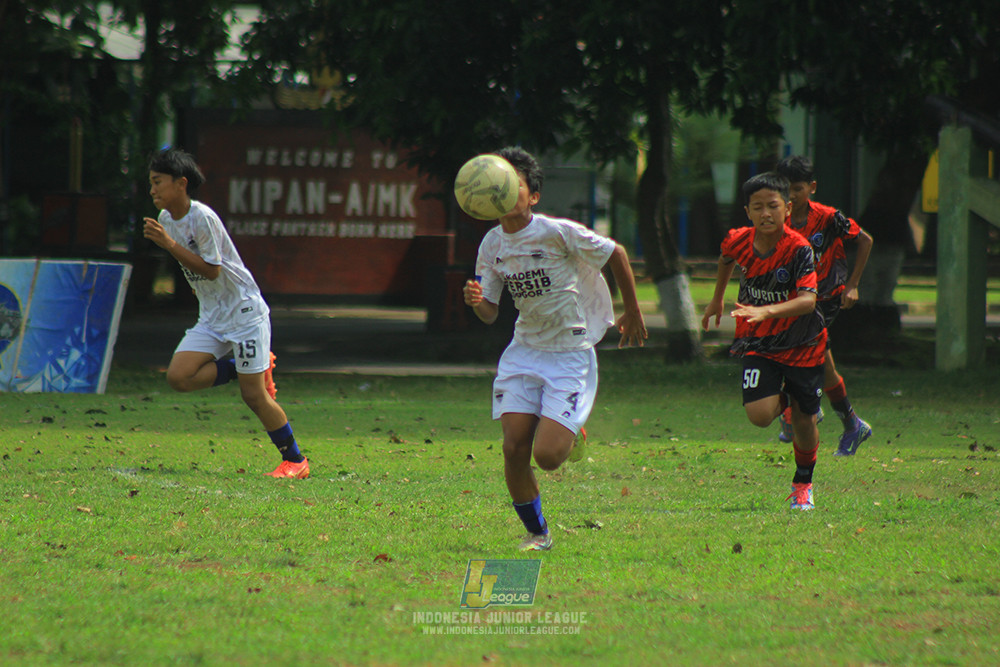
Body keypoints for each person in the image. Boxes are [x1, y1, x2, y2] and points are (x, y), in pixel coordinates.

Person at [462, 146, 647, 551]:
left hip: (569, 353)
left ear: (533, 196)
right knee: (513, 448)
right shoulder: (491, 245)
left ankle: (570, 428)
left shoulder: (556, 232)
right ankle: (538, 533)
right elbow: (491, 314)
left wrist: (631, 311)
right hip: (525, 350)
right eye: (499, 186)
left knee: (547, 457)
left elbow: (615, 252)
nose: (506, 193)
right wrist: (478, 302)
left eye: (515, 186)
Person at [142, 147, 309, 479]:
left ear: (181, 183)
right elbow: (197, 274)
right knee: (179, 377)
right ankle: (242, 367)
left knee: (253, 395)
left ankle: (295, 460)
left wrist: (169, 246)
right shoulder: (165, 221)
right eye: (151, 183)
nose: (153, 190)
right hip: (213, 315)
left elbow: (214, 271)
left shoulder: (202, 217)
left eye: (158, 182)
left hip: (243, 312)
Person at [701, 172, 826, 510]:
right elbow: (726, 258)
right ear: (748, 212)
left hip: (802, 343)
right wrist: (716, 299)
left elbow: (808, 300)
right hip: (758, 340)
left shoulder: (799, 249)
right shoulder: (738, 239)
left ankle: (803, 484)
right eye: (758, 207)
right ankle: (786, 401)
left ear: (788, 209)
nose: (766, 213)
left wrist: (768, 311)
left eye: (773, 206)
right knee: (758, 416)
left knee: (805, 420)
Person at [776, 155, 874, 456]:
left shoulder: (829, 218)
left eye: (797, 188)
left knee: (793, 348)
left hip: (825, 298)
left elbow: (865, 240)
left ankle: (803, 408)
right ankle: (851, 423)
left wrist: (853, 285)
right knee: (823, 363)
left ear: (812, 187)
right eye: (785, 189)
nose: (790, 195)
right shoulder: (779, 219)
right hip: (797, 300)